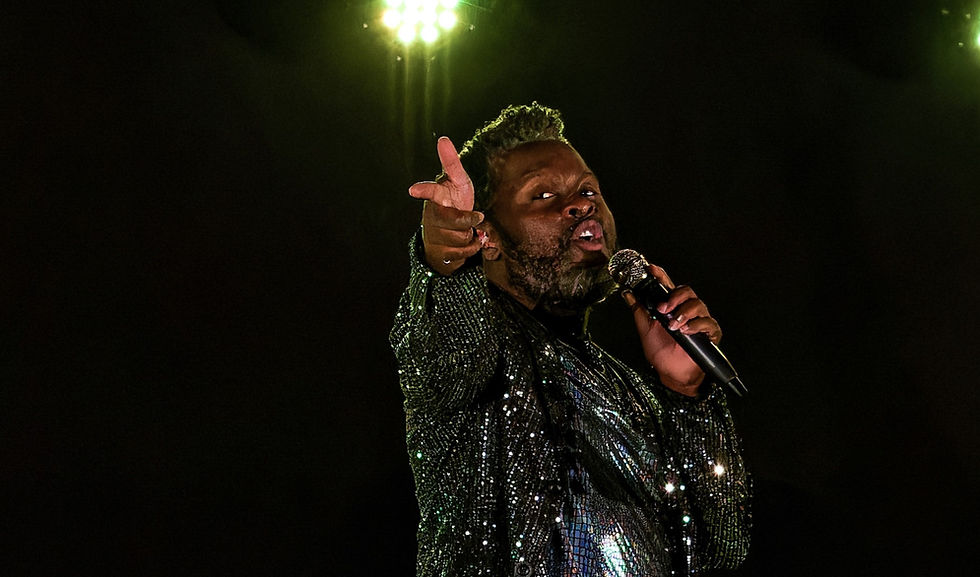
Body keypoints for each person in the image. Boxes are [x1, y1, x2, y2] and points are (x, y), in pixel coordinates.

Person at [390, 103, 750, 577]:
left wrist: (686, 395)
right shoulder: (479, 355)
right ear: (486, 237)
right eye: (542, 194)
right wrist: (446, 262)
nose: (582, 205)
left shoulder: (631, 391)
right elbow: (447, 352)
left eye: (588, 190)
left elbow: (721, 547)